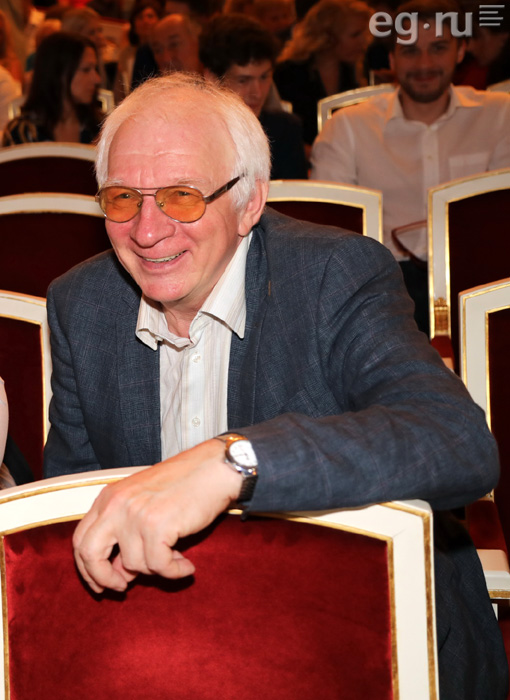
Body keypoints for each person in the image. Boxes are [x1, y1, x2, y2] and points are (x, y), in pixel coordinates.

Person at [44, 71, 507, 699]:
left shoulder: (332, 276)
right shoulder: (82, 304)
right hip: (172, 645)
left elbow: (456, 441)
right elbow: (70, 506)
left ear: (250, 202)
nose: (147, 230)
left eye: (182, 196)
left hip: (362, 641)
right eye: (123, 197)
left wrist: (233, 462)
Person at [310, 0, 510, 334]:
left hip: (480, 277)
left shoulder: (500, 116)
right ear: (392, 59)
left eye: (438, 48)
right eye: (410, 51)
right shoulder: (349, 126)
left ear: (461, 51)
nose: (424, 63)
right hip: (381, 283)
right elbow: (328, 234)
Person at [199, 14, 308, 179]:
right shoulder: (194, 135)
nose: (258, 92)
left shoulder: (285, 131)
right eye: (243, 80)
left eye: (264, 77)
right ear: (212, 79)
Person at [274, 0, 371, 146]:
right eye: (355, 35)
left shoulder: (355, 68)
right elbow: (280, 130)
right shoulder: (288, 73)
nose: (364, 41)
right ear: (328, 37)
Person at [2, 31, 102, 145]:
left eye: (95, 69)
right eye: (86, 70)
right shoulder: (22, 132)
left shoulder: (101, 127)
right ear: (59, 73)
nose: (97, 79)